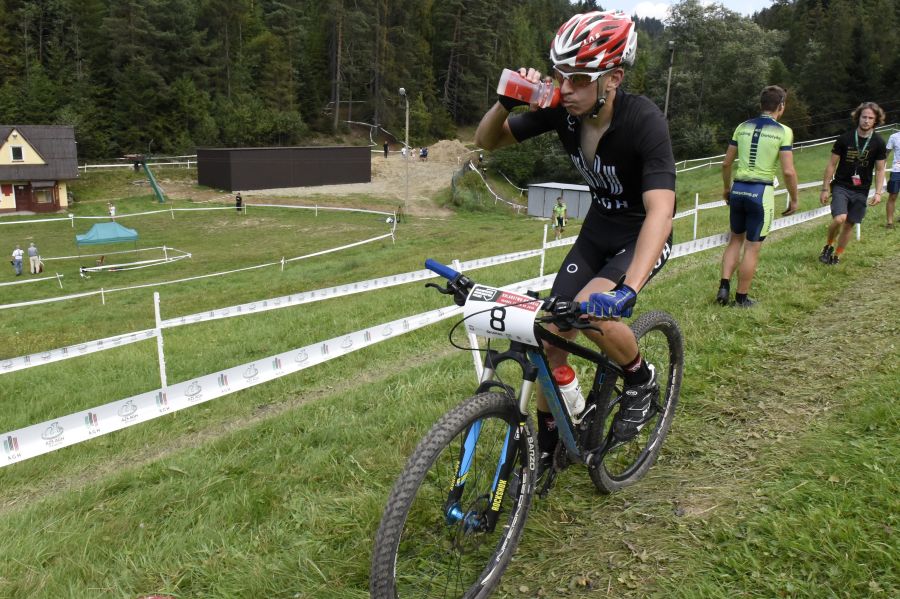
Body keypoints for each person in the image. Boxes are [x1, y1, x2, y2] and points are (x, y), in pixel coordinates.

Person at [475, 11, 676, 470]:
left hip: (641, 234)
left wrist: (630, 289)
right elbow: (488, 141)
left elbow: (661, 209)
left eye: (580, 78)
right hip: (596, 230)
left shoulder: (644, 120)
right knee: (550, 333)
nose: (565, 88)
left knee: (589, 308)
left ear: (613, 79)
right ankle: (552, 441)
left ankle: (640, 378)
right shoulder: (562, 110)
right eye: (560, 75)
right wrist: (504, 102)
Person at [716, 85, 799, 308]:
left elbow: (726, 163)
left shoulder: (742, 126)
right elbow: (789, 171)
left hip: (738, 189)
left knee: (735, 240)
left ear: (761, 105)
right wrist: (794, 198)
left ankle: (723, 287)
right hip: (761, 192)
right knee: (752, 247)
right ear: (781, 106)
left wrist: (727, 188)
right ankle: (741, 299)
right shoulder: (784, 131)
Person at [818, 102, 887, 265]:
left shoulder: (878, 143)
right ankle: (828, 246)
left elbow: (880, 169)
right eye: (864, 117)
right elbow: (831, 165)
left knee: (849, 224)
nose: (867, 121)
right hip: (841, 186)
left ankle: (837, 255)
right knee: (840, 218)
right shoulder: (845, 139)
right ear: (858, 118)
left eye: (871, 118)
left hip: (861, 190)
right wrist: (825, 188)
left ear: (876, 120)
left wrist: (878, 192)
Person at [885, 128, 900, 229]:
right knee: (893, 196)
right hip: (896, 170)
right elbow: (886, 154)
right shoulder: (894, 137)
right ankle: (889, 222)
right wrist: (880, 169)